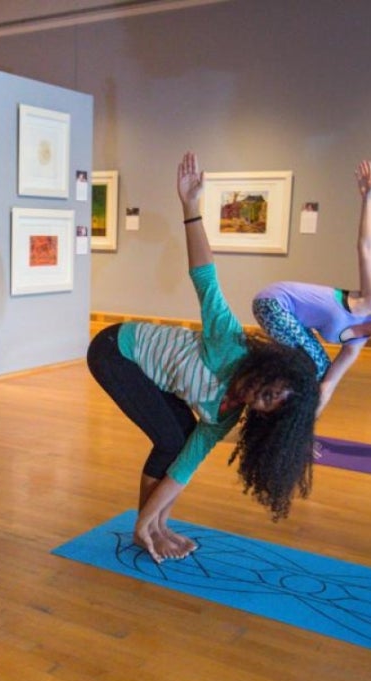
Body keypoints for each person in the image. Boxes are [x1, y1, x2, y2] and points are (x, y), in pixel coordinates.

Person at [87, 151, 319, 564]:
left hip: (147, 370)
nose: (257, 394)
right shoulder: (229, 343)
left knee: (180, 442)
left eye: (265, 402)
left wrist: (153, 518)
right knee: (170, 437)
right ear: (266, 367)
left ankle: (153, 526)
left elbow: (185, 467)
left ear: (263, 418)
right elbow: (205, 275)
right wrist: (190, 206)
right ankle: (146, 527)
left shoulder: (224, 414)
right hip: (114, 350)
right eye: (265, 386)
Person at [252, 160, 371, 421]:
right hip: (273, 302)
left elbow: (328, 386)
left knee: (318, 373)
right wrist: (368, 198)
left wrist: (308, 428)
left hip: (281, 315)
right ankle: (265, 394)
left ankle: (278, 417)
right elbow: (365, 248)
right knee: (318, 364)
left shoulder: (354, 346)